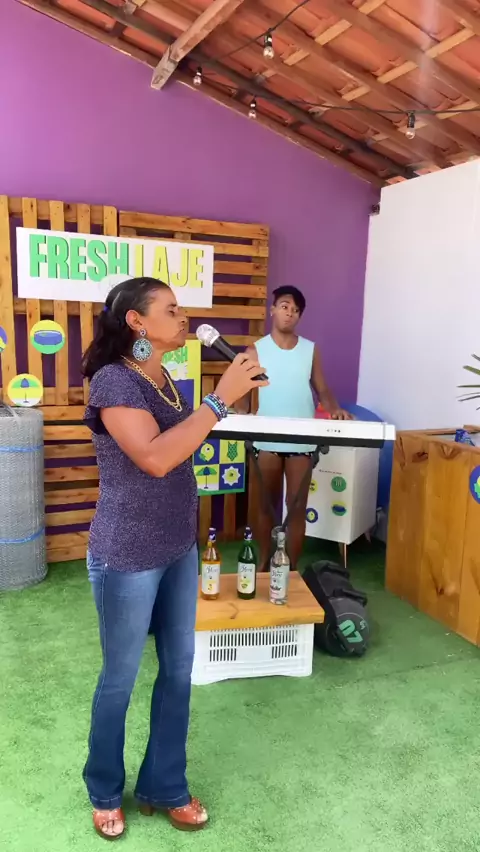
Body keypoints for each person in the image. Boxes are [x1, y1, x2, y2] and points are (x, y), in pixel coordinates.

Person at [80, 276, 267, 840]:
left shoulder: (163, 379)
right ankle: (104, 789)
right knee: (120, 677)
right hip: (127, 554)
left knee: (179, 670)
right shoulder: (113, 380)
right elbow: (156, 458)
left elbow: (185, 441)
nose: (184, 317)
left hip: (177, 548)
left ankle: (165, 785)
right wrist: (219, 401)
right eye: (171, 309)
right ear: (137, 322)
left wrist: (221, 402)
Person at [236, 285, 352, 572]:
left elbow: (322, 389)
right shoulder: (256, 350)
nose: (290, 313)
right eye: (285, 306)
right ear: (273, 310)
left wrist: (334, 409)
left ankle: (290, 569)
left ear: (300, 316)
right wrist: (240, 415)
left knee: (296, 507)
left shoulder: (310, 350)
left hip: (302, 441)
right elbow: (241, 395)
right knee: (264, 505)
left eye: (296, 310)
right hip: (266, 440)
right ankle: (264, 566)